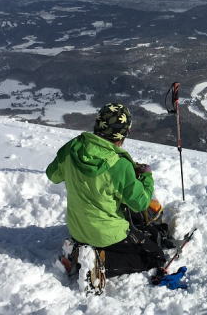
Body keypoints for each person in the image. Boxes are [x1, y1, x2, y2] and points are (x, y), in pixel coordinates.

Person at [46, 103, 166, 283]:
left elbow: (52, 174)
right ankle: (91, 263)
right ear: (124, 133)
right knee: (154, 256)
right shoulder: (119, 164)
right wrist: (147, 177)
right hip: (106, 234)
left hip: (77, 229)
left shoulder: (73, 148)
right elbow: (140, 203)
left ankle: (78, 251)